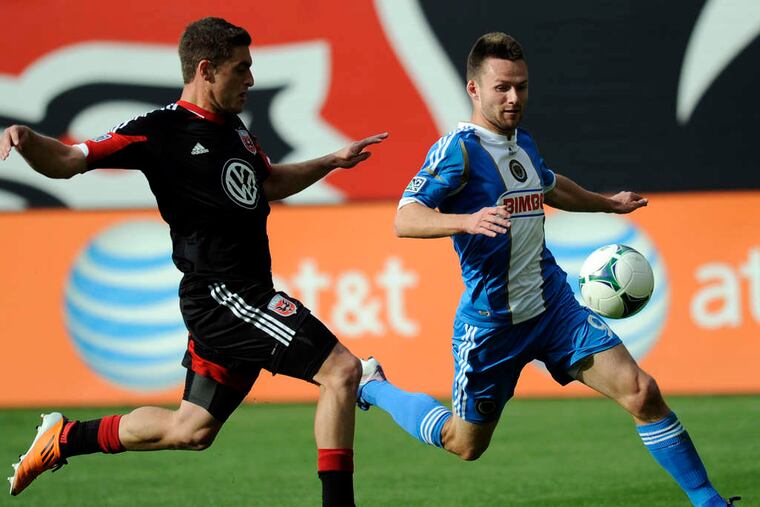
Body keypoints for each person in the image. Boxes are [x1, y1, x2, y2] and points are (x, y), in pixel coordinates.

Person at [2, 17, 387, 507]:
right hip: (226, 296)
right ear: (206, 69)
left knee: (192, 427)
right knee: (341, 371)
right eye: (241, 69)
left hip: (235, 296)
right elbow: (70, 159)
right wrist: (28, 141)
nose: (250, 79)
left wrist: (329, 161)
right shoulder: (158, 130)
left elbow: (266, 184)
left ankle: (64, 439)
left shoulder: (235, 129)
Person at [356, 32, 739, 507]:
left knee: (642, 393)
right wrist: (467, 220)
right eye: (501, 87)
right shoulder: (457, 150)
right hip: (493, 325)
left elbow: (551, 187)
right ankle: (373, 385)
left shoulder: (523, 144)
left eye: (521, 86)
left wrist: (606, 205)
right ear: (474, 89)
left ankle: (709, 501)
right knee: (464, 443)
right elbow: (404, 217)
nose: (514, 97)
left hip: (554, 308)